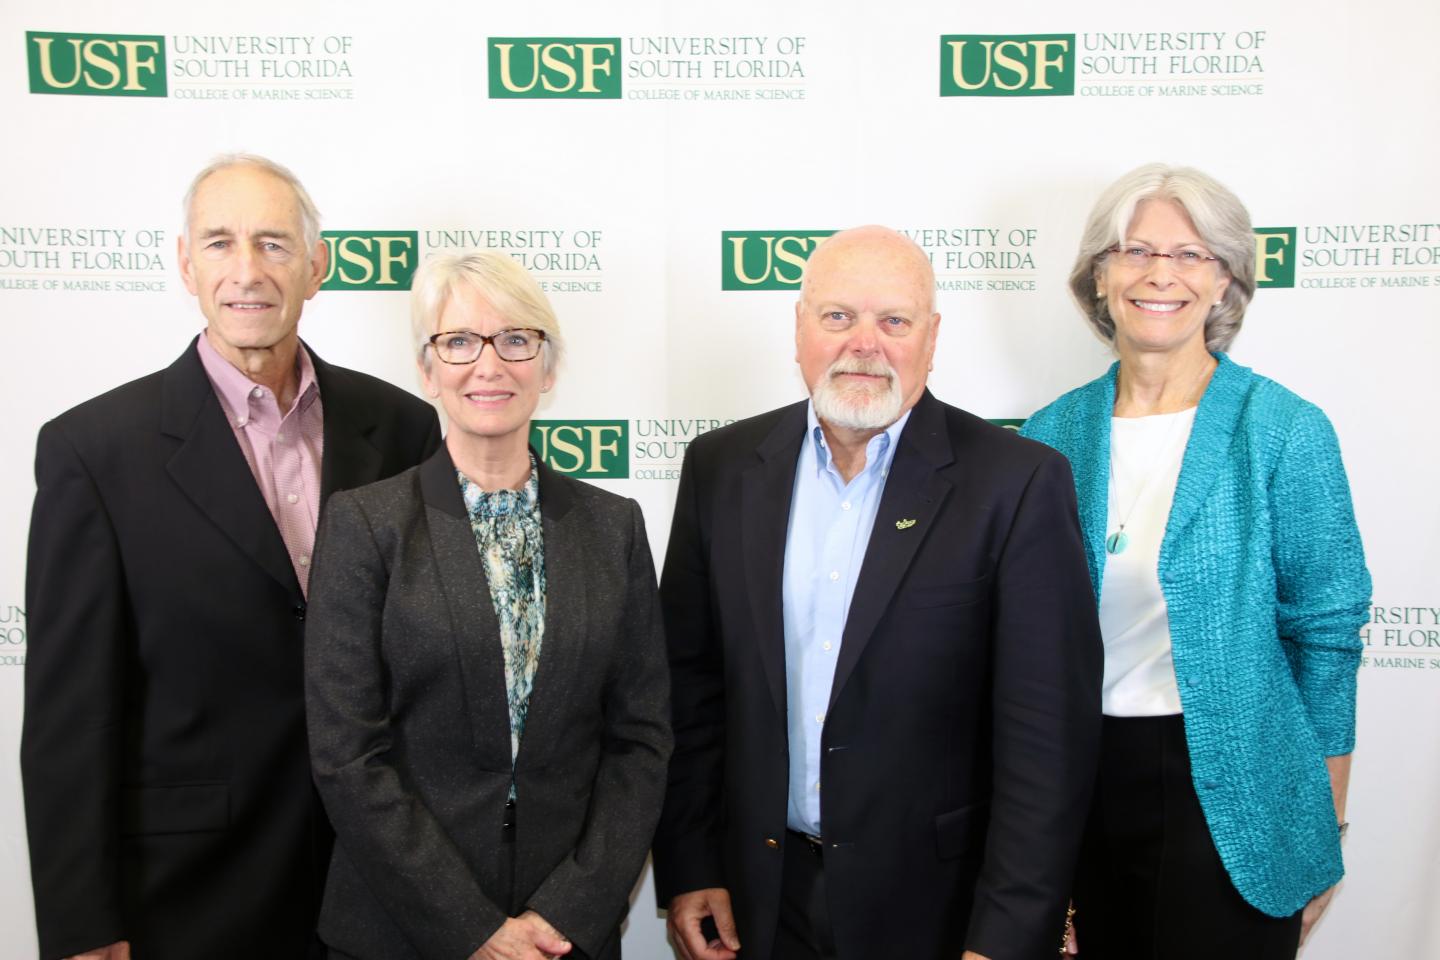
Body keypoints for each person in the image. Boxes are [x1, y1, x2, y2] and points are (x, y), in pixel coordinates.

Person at [20, 154, 441, 960]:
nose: (248, 271)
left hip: (381, 884)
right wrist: (81, 923)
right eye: (220, 243)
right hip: (187, 894)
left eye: (275, 244)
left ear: (317, 265)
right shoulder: (95, 451)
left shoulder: (402, 429)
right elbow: (71, 717)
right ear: (185, 263)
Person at [651, 225, 1103, 960]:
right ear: (799, 330)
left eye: (894, 320)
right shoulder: (722, 468)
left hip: (941, 912)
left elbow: (1047, 740)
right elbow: (690, 688)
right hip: (763, 899)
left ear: (931, 338)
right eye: (838, 317)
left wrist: (1010, 930)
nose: (865, 343)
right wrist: (693, 865)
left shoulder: (1016, 483)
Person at [1019, 164, 1371, 959]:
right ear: (1099, 276)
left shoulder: (1285, 429)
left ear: (1226, 284)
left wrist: (1322, 824)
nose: (1160, 274)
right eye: (1136, 250)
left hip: (1237, 796)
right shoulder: (1049, 437)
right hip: (1078, 790)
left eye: (1191, 255)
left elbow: (1327, 638)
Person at [303, 250, 672, 960]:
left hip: (563, 936)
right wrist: (471, 928)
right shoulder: (366, 525)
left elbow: (642, 739)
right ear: (427, 369)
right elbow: (348, 753)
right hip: (398, 930)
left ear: (547, 366)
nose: (489, 365)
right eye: (459, 341)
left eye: (516, 339)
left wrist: (570, 910)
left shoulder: (613, 526)